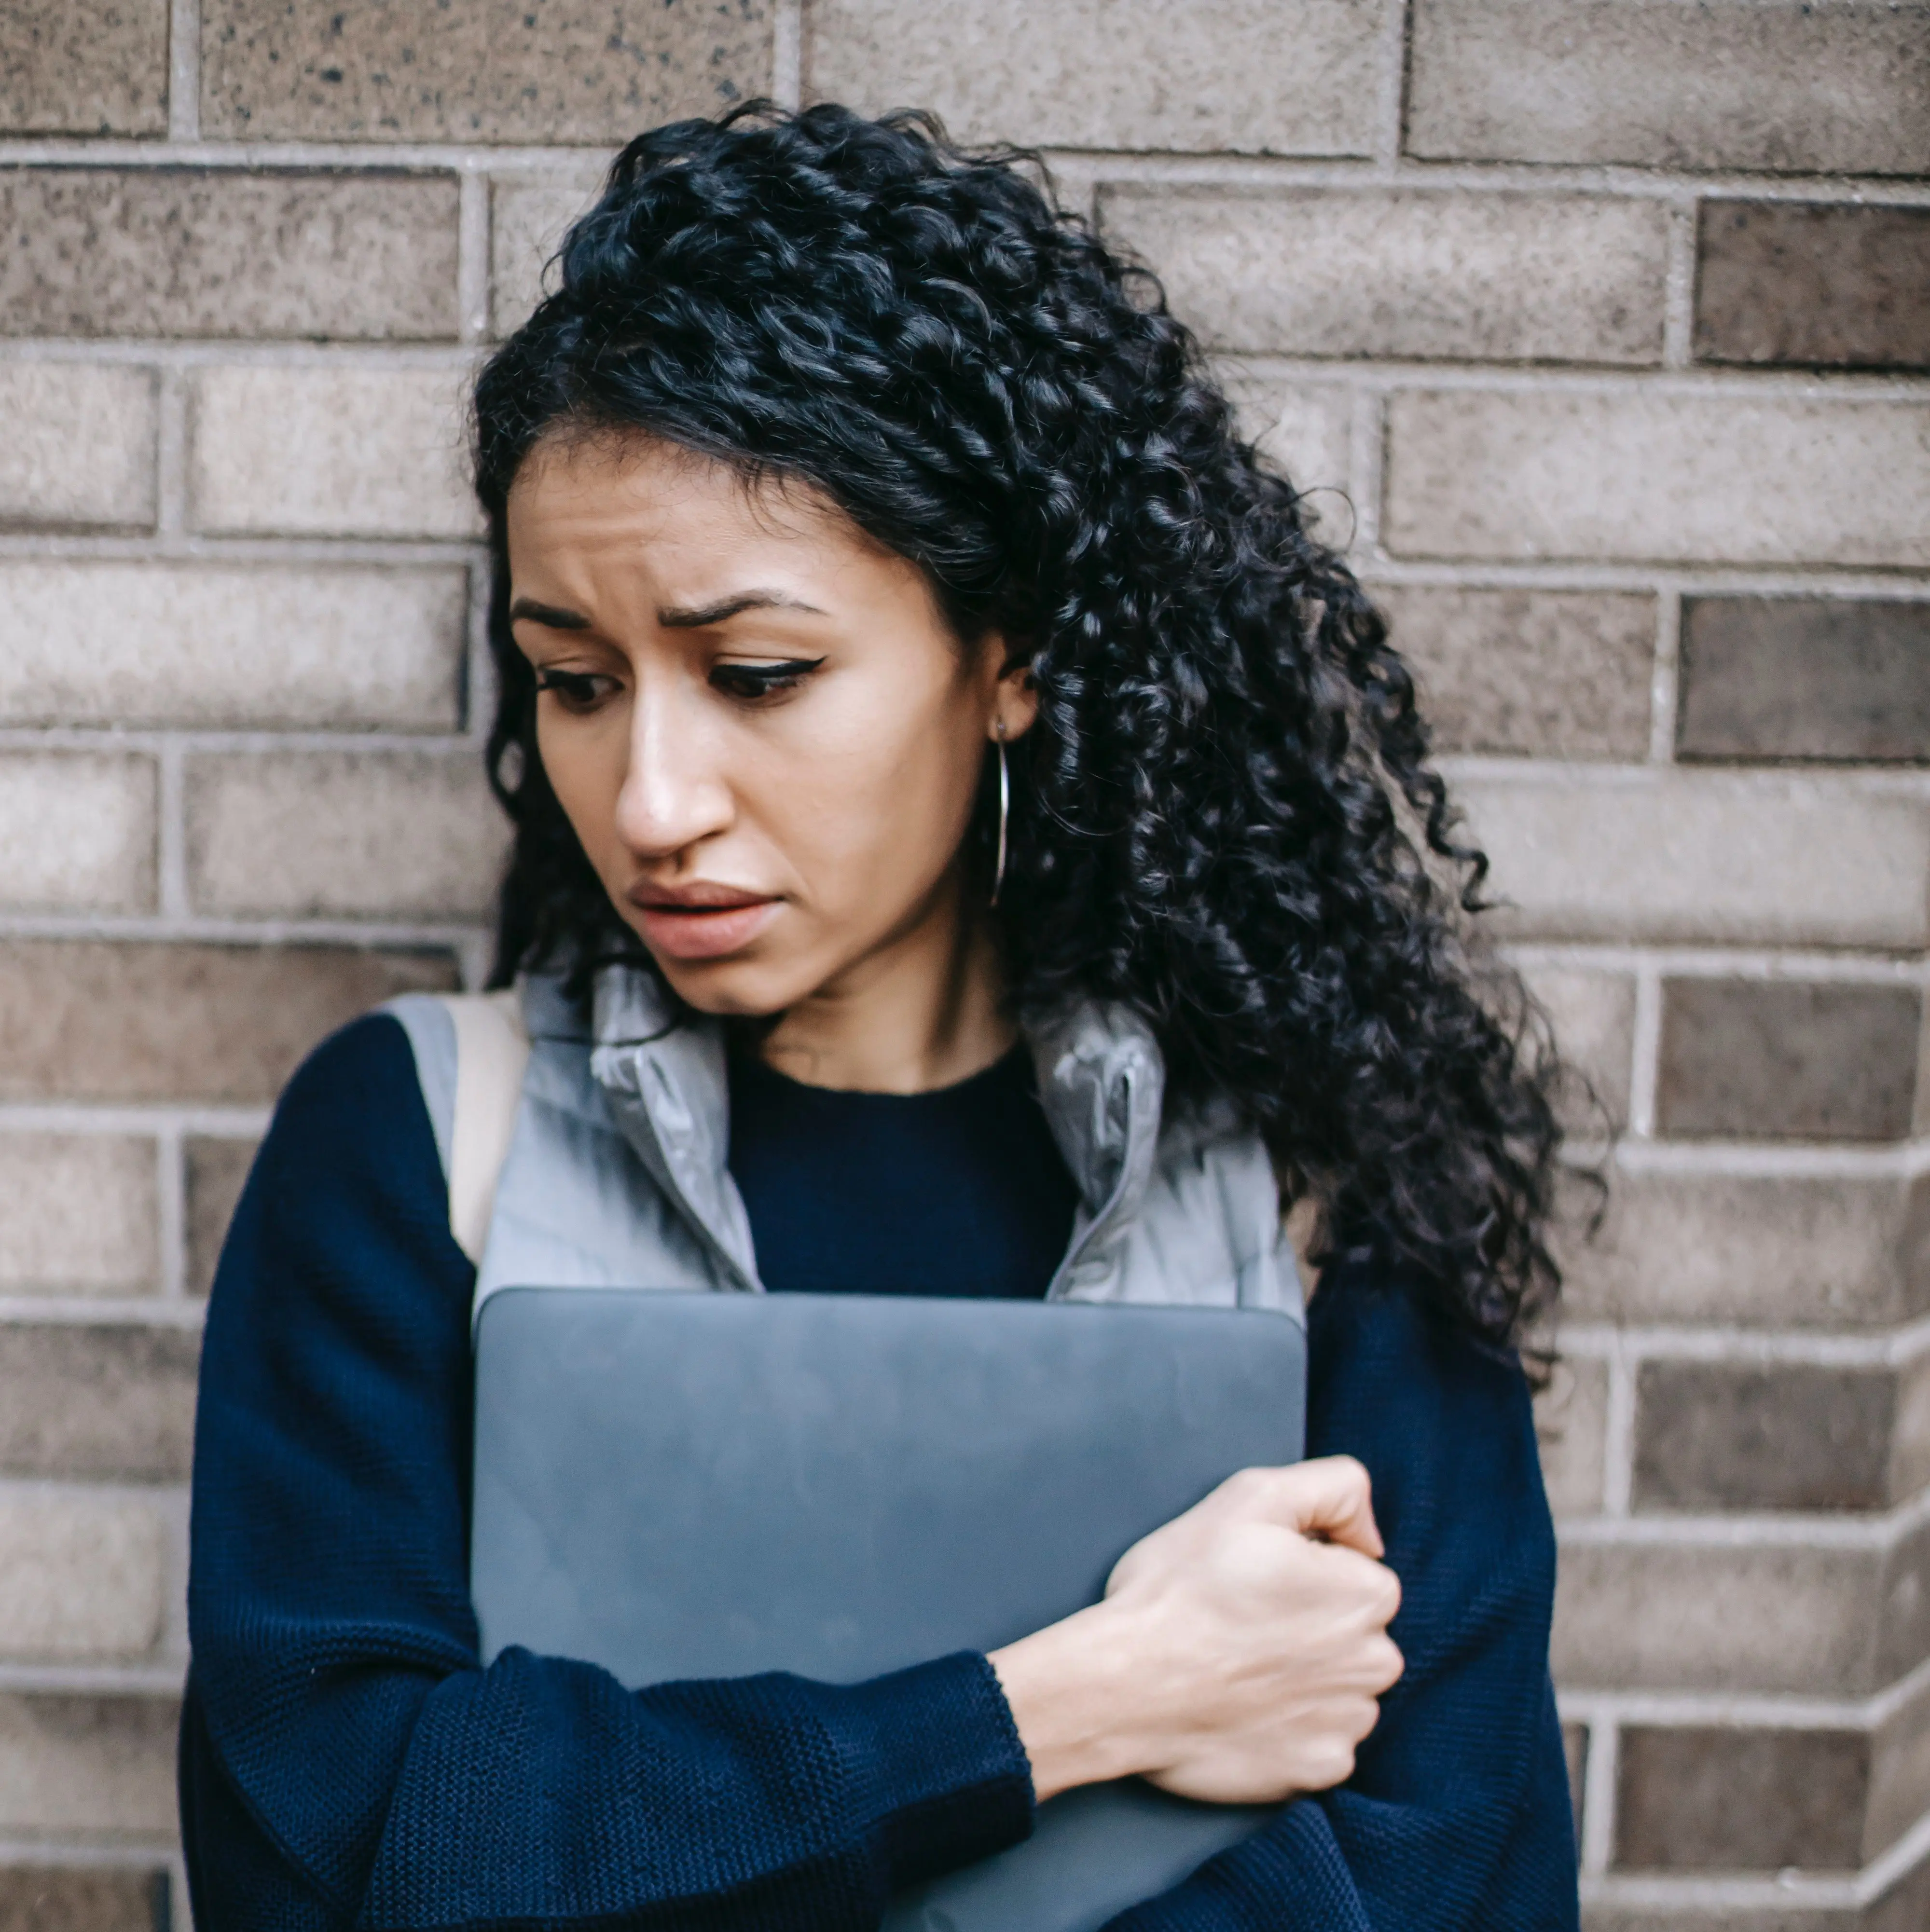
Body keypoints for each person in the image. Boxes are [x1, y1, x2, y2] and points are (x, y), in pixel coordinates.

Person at [180, 103, 1581, 1931]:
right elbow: (334, 1858)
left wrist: (628, 1825)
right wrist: (1085, 1701)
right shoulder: (419, 1148)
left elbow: (1464, 1894)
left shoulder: (1314, 1202)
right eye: (575, 683)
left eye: (757, 675)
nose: (651, 796)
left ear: (1004, 660)